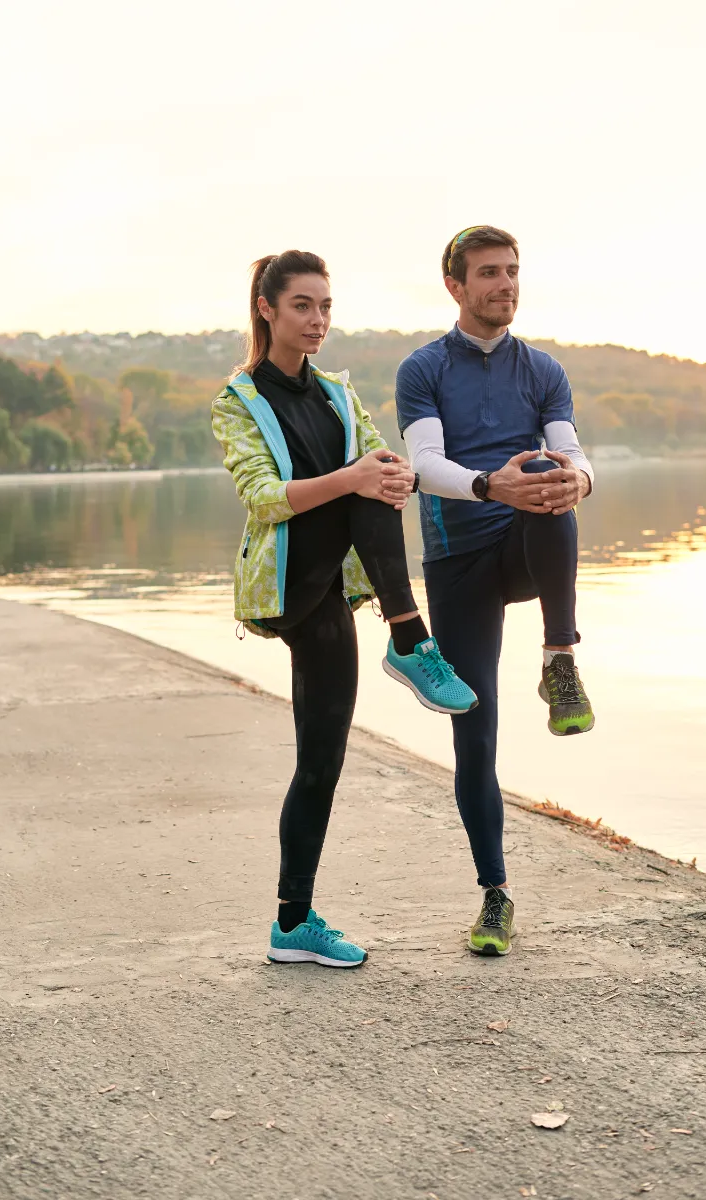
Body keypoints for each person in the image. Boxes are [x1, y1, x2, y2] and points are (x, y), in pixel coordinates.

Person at [212, 250, 476, 970]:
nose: (318, 320)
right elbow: (264, 500)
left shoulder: (336, 393)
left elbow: (379, 464)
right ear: (266, 309)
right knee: (363, 482)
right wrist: (359, 478)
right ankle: (411, 638)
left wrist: (389, 473)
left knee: (321, 761)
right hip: (290, 582)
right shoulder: (238, 401)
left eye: (326, 306)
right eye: (303, 305)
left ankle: (291, 924)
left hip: (336, 587)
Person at [395, 225, 595, 958]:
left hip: (523, 543)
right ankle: (495, 896)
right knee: (474, 734)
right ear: (455, 286)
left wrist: (582, 476)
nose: (504, 285)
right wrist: (488, 484)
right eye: (488, 274)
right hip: (458, 565)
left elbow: (570, 449)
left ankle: (560, 658)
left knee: (551, 477)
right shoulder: (423, 369)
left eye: (512, 272)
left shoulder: (542, 370)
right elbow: (423, 464)